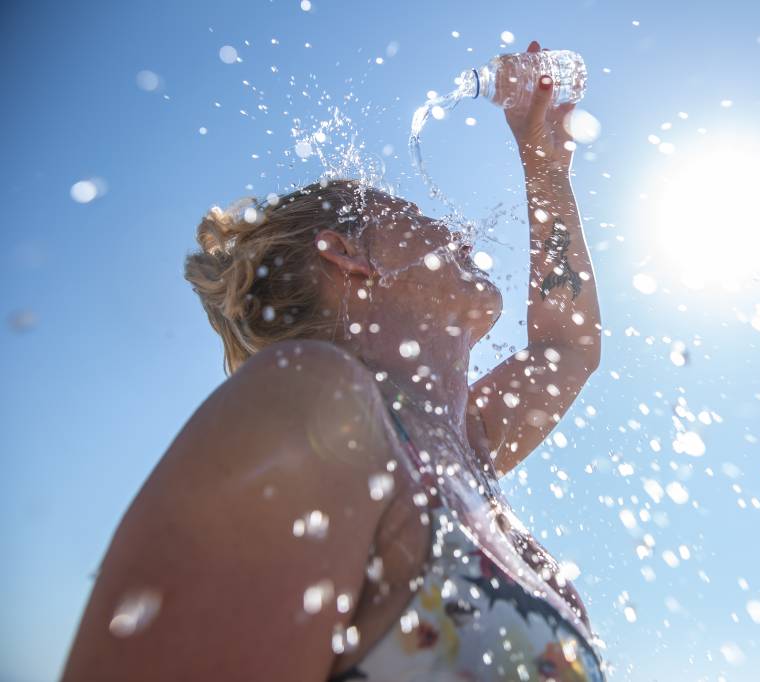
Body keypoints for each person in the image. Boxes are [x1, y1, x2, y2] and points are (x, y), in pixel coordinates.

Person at [61, 40, 604, 681]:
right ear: (347, 255)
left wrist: (544, 166)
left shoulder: (463, 447)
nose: (456, 232)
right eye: (415, 215)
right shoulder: (318, 410)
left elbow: (566, 348)